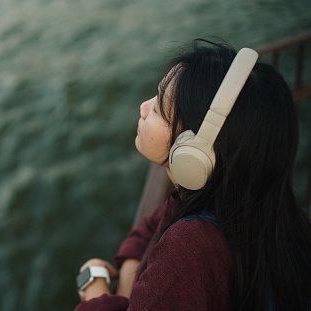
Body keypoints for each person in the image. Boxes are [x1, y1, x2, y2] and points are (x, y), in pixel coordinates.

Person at [74, 39, 311, 311]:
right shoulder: (252, 203)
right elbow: (154, 223)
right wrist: (130, 271)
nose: (143, 107)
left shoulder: (189, 249)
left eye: (160, 108)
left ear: (194, 150)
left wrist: (93, 284)